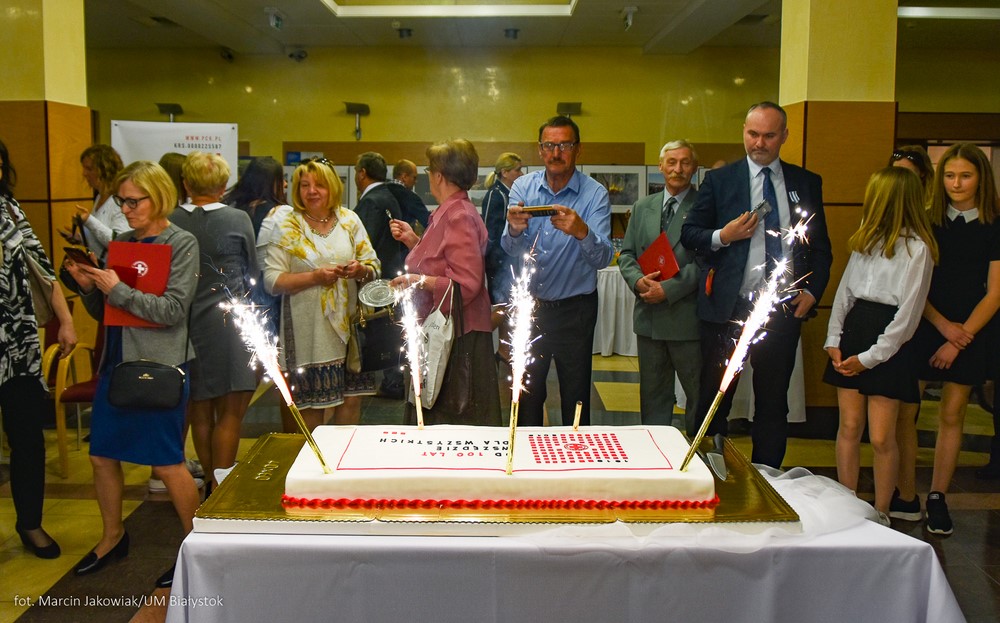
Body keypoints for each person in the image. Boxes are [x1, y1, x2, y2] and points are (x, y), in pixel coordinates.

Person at [64, 160, 200, 588]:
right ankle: (112, 537)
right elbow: (108, 310)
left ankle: (197, 549)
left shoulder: (181, 242)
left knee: (168, 463)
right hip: (117, 363)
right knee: (101, 456)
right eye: (121, 201)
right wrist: (89, 285)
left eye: (133, 201)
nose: (125, 209)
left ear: (157, 197)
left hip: (159, 367)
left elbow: (172, 311)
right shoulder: (121, 242)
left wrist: (116, 289)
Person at [680, 101, 833, 469]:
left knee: (773, 400)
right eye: (752, 134)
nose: (759, 143)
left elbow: (821, 249)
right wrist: (723, 235)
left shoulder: (806, 182)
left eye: (768, 135)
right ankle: (706, 469)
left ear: (784, 136)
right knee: (715, 394)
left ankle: (767, 476)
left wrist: (813, 292)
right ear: (744, 133)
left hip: (782, 307)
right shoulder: (720, 180)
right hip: (728, 307)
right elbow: (690, 234)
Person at [895, 143, 1000, 535]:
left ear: (981, 179)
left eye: (966, 176)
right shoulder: (926, 221)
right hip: (926, 323)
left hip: (972, 330)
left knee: (953, 413)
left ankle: (938, 496)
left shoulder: (995, 225)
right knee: (907, 410)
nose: (956, 183)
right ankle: (906, 493)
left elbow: (995, 293)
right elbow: (914, 286)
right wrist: (943, 328)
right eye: (950, 175)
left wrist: (958, 338)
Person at [823, 167, 937, 526]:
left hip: (888, 343)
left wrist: (870, 358)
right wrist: (834, 339)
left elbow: (908, 316)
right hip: (855, 331)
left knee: (883, 435)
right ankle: (847, 503)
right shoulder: (865, 241)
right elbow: (845, 294)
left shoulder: (918, 249)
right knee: (849, 426)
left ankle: (881, 511)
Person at [501, 116, 614, 427]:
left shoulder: (595, 194)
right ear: (540, 150)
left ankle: (575, 456)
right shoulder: (523, 187)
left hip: (575, 310)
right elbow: (509, 248)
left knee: (576, 396)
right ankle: (524, 454)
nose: (556, 152)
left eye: (564, 145)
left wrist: (582, 232)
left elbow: (603, 258)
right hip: (530, 308)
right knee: (526, 395)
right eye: (549, 145)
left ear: (578, 149)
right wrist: (514, 229)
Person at [0, 139, 76, 559]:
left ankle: (30, 522)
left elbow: (42, 269)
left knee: (27, 438)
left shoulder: (11, 210)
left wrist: (65, 320)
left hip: (17, 343)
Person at [389, 139, 501, 426]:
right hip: (450, 335)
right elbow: (445, 261)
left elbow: (466, 284)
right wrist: (414, 241)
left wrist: (418, 280)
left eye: (430, 170)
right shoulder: (449, 211)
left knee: (452, 426)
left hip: (457, 341)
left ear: (439, 175)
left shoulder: (458, 215)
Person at [264, 159, 380, 430]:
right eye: (304, 185)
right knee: (311, 409)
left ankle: (343, 458)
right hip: (307, 336)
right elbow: (272, 280)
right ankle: (314, 458)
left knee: (351, 402)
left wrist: (360, 270)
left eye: (319, 185)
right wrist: (314, 278)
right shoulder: (288, 226)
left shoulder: (349, 220)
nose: (312, 191)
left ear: (333, 188)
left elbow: (373, 266)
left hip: (351, 334)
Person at [170, 152, 257, 489]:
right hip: (230, 323)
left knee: (200, 411)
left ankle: (208, 478)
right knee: (231, 413)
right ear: (224, 185)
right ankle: (222, 488)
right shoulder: (237, 219)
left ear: (186, 183)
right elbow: (252, 271)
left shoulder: (171, 220)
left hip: (185, 326)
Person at [618, 140, 702, 435]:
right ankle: (656, 451)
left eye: (685, 162)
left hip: (687, 319)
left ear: (694, 168)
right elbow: (627, 254)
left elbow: (707, 262)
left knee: (698, 396)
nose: (678, 169)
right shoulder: (643, 207)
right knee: (653, 397)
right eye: (672, 162)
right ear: (661, 166)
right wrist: (637, 280)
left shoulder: (706, 207)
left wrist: (669, 290)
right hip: (649, 318)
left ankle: (698, 453)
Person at [355, 152, 407, 399]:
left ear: (362, 173)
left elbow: (365, 242)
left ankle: (393, 381)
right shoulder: (389, 196)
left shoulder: (371, 201)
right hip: (393, 268)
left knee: (384, 328)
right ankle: (394, 379)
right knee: (391, 326)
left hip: (378, 275)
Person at [222, 156, 286, 336]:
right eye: (281, 179)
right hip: (267, 291)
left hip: (232, 287)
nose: (285, 184)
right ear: (273, 183)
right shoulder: (280, 213)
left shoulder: (230, 208)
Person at [66, 145, 128, 262]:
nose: (84, 173)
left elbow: (119, 243)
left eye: (89, 169)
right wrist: (81, 238)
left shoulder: (120, 200)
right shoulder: (100, 196)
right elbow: (100, 240)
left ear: (105, 170)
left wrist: (89, 220)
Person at [481, 152, 523, 306]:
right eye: (517, 170)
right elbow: (489, 232)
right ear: (505, 172)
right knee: (501, 305)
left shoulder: (509, 194)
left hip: (509, 258)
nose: (521, 174)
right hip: (498, 262)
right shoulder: (496, 194)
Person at [389, 158, 430, 229]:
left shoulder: (380, 191)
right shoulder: (411, 198)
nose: (416, 181)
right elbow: (428, 223)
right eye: (414, 177)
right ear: (404, 177)